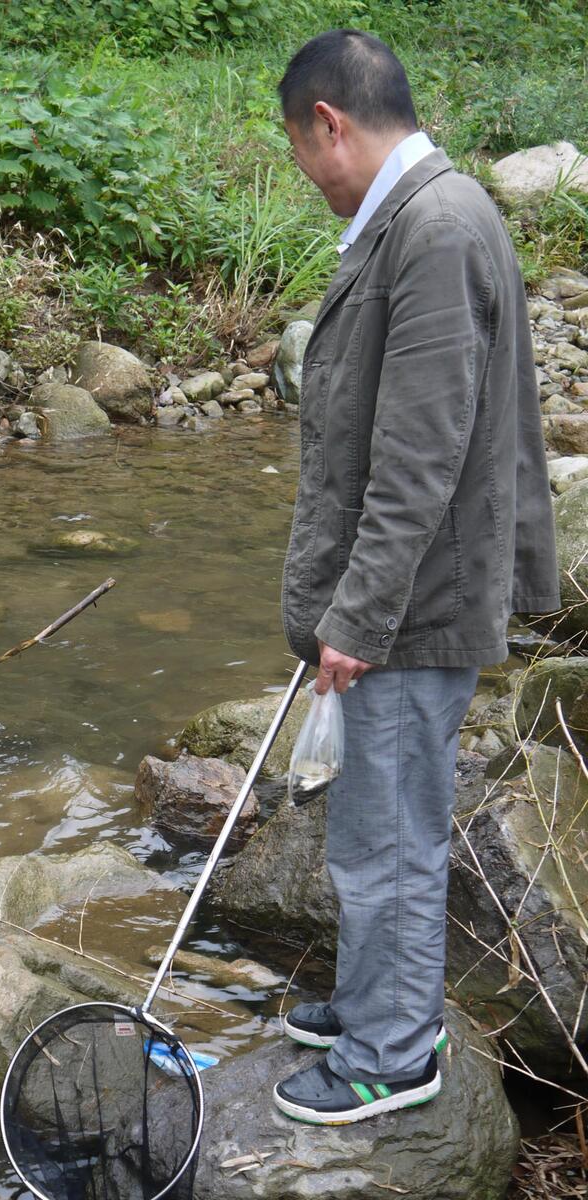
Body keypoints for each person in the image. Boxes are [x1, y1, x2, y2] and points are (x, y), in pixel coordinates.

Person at [274, 30, 559, 1124]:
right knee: (371, 825)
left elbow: (422, 451)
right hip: (400, 599)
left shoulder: (434, 227)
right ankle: (370, 1002)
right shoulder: (415, 216)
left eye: (303, 152)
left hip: (412, 606)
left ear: (329, 123)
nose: (308, 178)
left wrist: (355, 616)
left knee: (389, 836)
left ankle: (395, 1055)